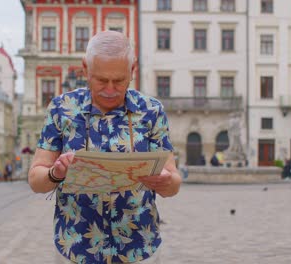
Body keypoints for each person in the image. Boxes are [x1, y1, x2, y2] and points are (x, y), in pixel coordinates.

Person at [28, 31, 181, 264]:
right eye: (101, 80)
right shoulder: (62, 108)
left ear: (132, 70)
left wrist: (166, 181)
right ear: (85, 69)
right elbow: (36, 179)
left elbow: (173, 183)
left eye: (119, 81)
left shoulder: (151, 111)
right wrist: (55, 173)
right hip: (76, 249)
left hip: (138, 248)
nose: (110, 90)